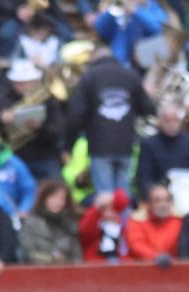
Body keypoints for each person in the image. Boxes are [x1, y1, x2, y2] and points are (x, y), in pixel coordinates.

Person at [65, 45, 153, 196]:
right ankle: (123, 220)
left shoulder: (89, 77)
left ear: (94, 58)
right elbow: (148, 109)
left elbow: (76, 115)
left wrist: (68, 145)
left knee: (105, 196)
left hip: (100, 147)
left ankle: (109, 220)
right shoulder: (131, 76)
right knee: (123, 195)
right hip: (126, 145)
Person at [135, 104, 189, 198]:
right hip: (160, 195)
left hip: (187, 192)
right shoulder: (149, 145)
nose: (172, 125)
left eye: (175, 121)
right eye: (167, 121)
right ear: (160, 122)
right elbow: (144, 177)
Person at [19, 178, 82, 264]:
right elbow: (28, 253)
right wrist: (53, 259)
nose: (57, 202)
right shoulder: (30, 224)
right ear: (44, 198)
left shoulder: (70, 224)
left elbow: (77, 257)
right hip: (37, 272)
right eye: (53, 197)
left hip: (65, 273)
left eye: (61, 198)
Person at [124, 183, 183, 263]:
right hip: (141, 268)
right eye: (157, 201)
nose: (163, 205)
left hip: (172, 269)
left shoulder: (178, 220)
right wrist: (155, 257)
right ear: (148, 204)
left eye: (167, 200)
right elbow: (137, 245)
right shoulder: (136, 220)